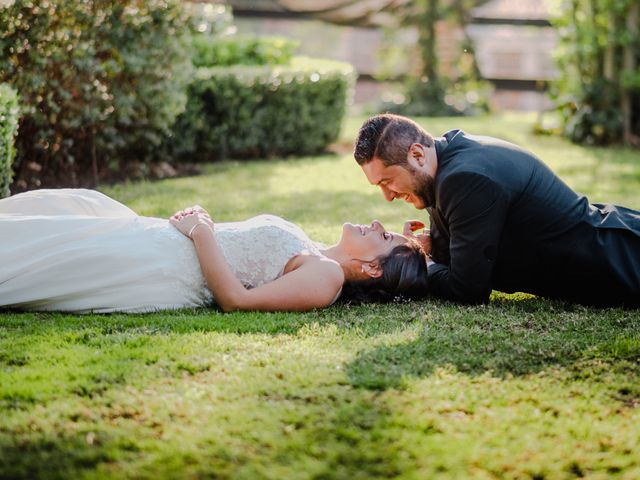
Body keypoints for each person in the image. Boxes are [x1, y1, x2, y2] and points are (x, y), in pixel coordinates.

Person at [354, 113, 640, 308]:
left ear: (417, 154)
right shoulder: (441, 163)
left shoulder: (465, 179)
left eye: (387, 182)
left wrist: (425, 266)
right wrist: (431, 251)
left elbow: (467, 290)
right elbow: (455, 259)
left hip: (623, 261)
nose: (388, 196)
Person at [0, 188, 428, 313]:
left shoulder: (327, 278)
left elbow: (236, 300)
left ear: (372, 269)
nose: (376, 224)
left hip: (160, 267)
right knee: (65, 213)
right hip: (158, 240)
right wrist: (420, 244)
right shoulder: (317, 251)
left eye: (384, 237)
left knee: (42, 253)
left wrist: (202, 231)